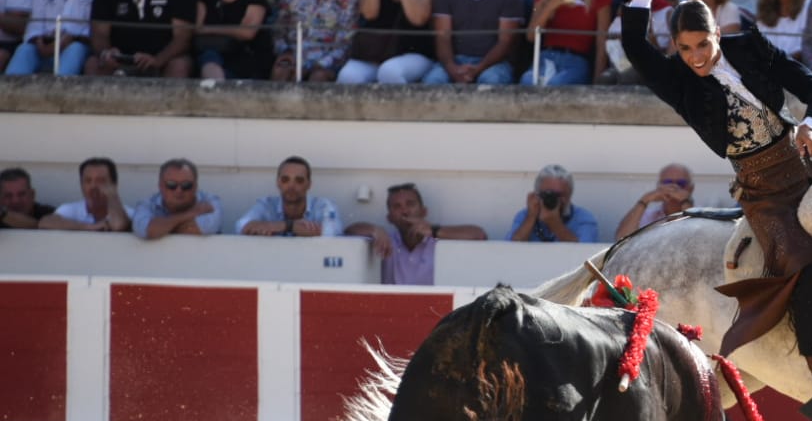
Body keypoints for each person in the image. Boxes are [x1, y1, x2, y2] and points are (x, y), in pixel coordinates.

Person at [622, 0, 812, 421]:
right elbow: (631, 44)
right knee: (806, 263)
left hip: (810, 164)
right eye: (684, 49)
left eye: (702, 46)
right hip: (765, 195)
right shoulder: (679, 83)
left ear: (717, 32)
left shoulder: (750, 47)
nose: (695, 58)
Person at [346, 182, 488, 285]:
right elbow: (349, 231)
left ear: (424, 212)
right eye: (397, 207)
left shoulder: (439, 240)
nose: (405, 211)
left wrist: (434, 231)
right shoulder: (387, 240)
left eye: (410, 204)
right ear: (389, 218)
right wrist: (375, 230)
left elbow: (479, 234)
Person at [236, 155, 346, 237]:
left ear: (309, 184)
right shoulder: (267, 204)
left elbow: (332, 231)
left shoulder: (323, 205)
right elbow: (240, 226)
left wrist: (275, 226)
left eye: (299, 180)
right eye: (285, 180)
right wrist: (290, 226)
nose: (291, 186)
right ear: (278, 183)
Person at [506, 164, 600, 243]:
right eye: (549, 193)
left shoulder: (583, 218)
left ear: (569, 195)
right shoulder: (525, 216)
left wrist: (554, 223)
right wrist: (531, 217)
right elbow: (510, 249)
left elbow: (584, 254)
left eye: (560, 195)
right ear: (537, 194)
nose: (554, 199)